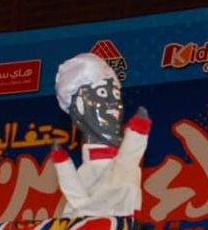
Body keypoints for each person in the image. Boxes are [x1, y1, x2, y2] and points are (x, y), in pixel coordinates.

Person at [50, 52, 150, 217]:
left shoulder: (127, 166)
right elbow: (77, 198)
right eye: (102, 93)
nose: (114, 104)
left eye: (116, 95)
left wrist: (138, 133)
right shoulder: (90, 173)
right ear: (79, 106)